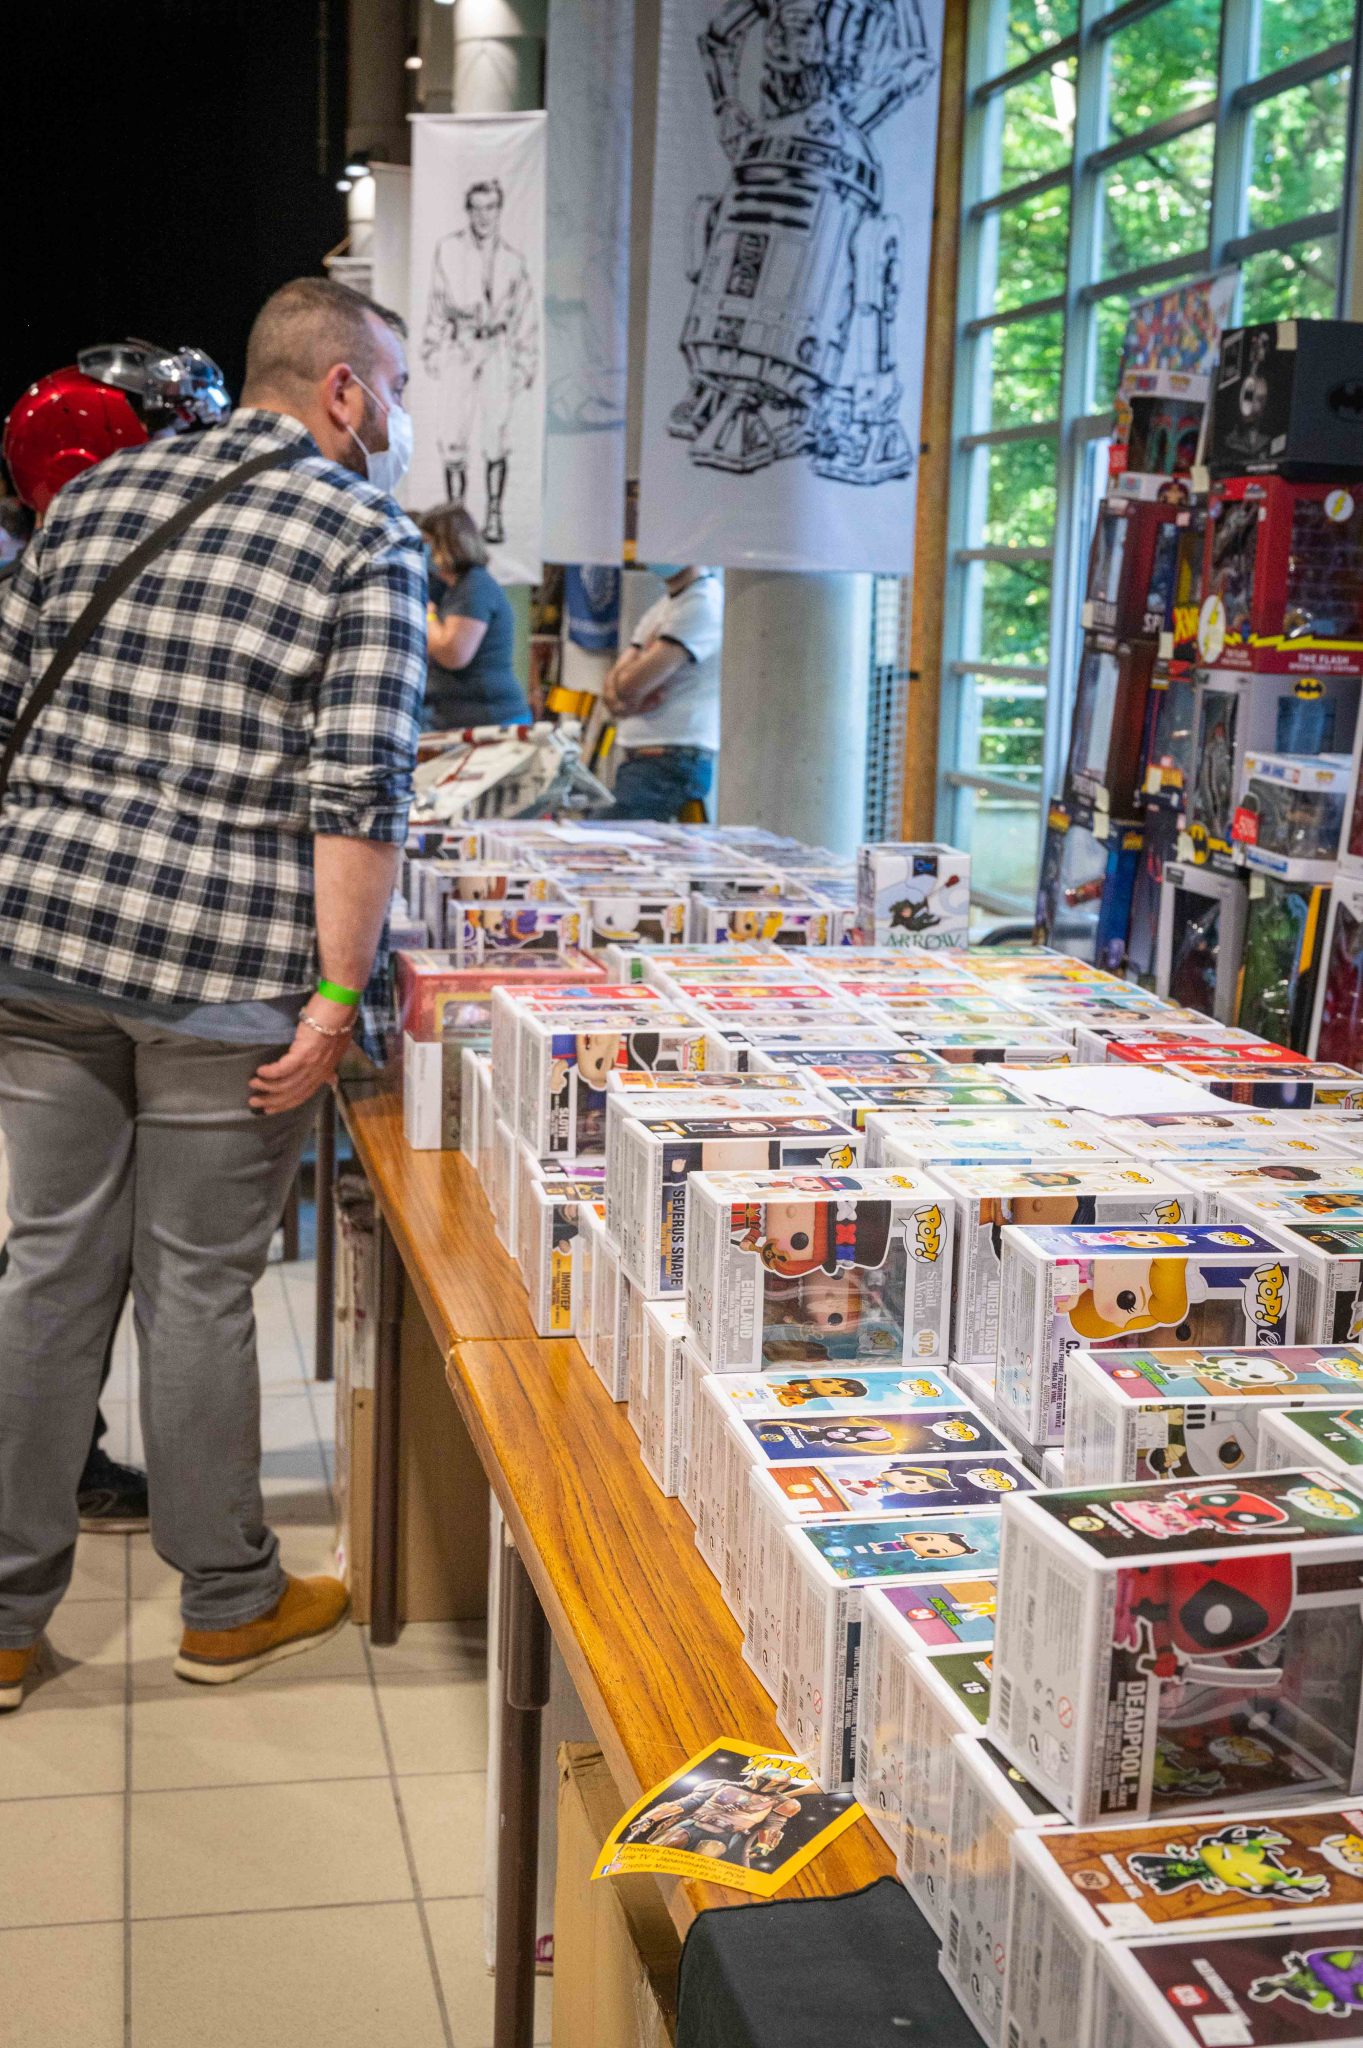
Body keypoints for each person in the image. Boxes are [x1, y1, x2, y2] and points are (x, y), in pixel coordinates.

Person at [0, 277, 426, 1712]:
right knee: (195, 1286)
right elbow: (357, 790)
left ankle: (4, 1621)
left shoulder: (92, 501)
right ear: (345, 391)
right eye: (394, 393)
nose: (396, 422)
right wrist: (336, 997)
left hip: (43, 946)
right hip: (220, 975)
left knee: (46, 1272)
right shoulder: (360, 533)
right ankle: (228, 1600)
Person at [0, 340, 235, 1537]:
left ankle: (36, 1526)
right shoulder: (97, 587)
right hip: (126, 956)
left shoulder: (37, 577)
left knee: (52, 1258)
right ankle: (193, 1558)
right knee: (134, 1267)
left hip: (40, 944)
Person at [421, 177, 539, 546]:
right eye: (476, 208)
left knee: (496, 435)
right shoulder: (449, 250)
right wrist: (432, 347)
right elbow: (436, 302)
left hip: (496, 347)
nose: (483, 216)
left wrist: (524, 363)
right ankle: (455, 520)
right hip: (460, 345)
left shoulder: (513, 261)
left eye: (490, 208)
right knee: (452, 435)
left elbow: (525, 316)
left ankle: (494, 515)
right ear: (468, 211)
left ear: (499, 210)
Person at [601, 565, 722, 821]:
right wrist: (629, 689)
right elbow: (614, 690)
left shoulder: (703, 602)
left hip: (671, 761)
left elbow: (629, 686)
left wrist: (631, 684)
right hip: (642, 763)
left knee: (601, 837)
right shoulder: (663, 607)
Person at [418, 502, 530, 730]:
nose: (422, 551)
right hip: (457, 718)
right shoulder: (451, 589)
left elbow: (453, 654)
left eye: (427, 542)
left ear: (447, 544)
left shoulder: (475, 587)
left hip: (491, 719)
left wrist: (427, 615)